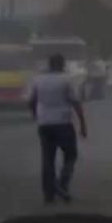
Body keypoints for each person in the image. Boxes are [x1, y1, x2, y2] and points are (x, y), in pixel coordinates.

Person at [27, 53, 88, 204]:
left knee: (47, 159)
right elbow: (75, 103)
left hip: (45, 124)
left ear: (49, 64)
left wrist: (36, 115)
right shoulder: (67, 80)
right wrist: (83, 124)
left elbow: (31, 101)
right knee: (71, 155)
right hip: (63, 123)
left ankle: (49, 194)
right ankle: (62, 184)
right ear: (62, 65)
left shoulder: (38, 79)